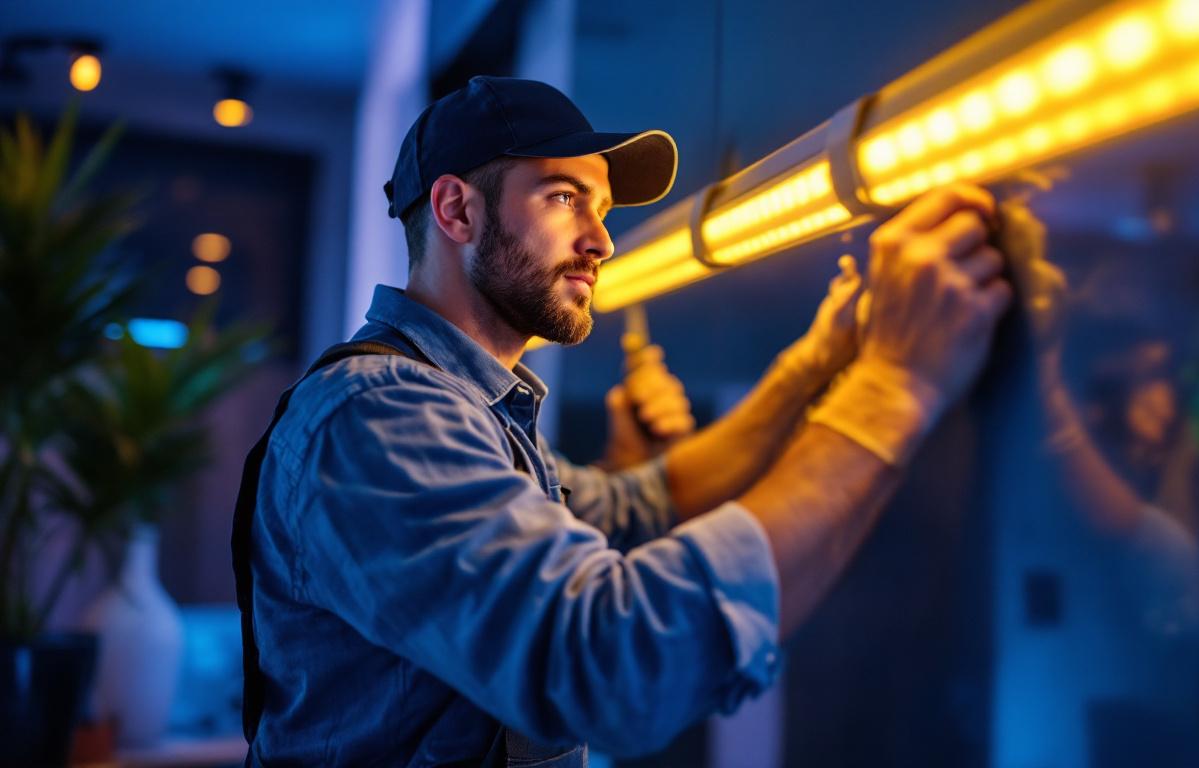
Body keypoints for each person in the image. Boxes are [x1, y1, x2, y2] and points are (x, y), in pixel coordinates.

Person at [233, 75, 1011, 766]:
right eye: (565, 197)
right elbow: (605, 662)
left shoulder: (478, 409)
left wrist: (810, 369)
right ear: (456, 209)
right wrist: (893, 386)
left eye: (600, 208)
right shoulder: (380, 414)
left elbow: (636, 509)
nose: (601, 240)